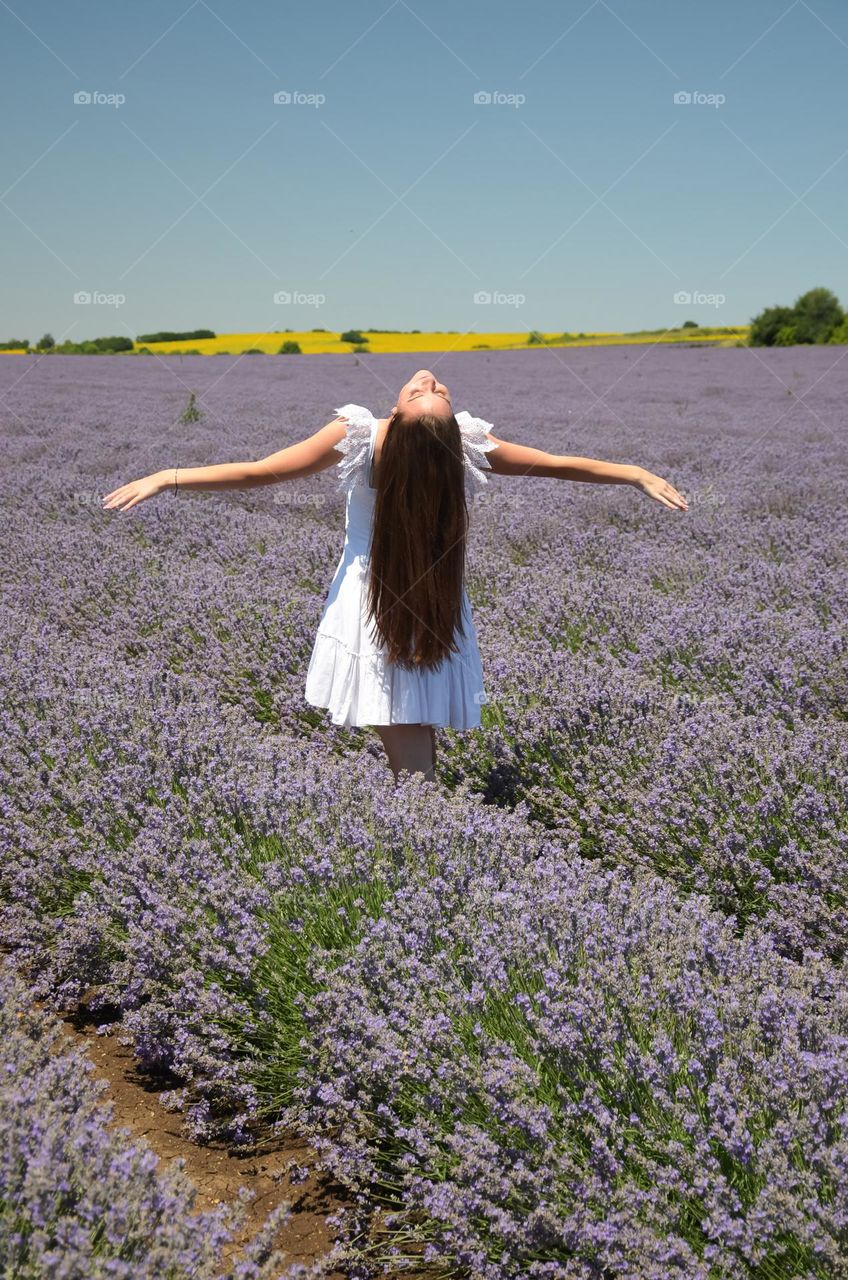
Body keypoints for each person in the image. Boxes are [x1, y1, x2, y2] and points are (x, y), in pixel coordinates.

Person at [103, 368, 688, 783]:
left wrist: (168, 475)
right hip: (426, 590)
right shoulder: (460, 444)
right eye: (429, 393)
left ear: (396, 419)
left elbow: (261, 474)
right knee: (409, 710)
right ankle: (422, 813)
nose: (430, 381)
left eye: (425, 393)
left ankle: (420, 824)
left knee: (403, 715)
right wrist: (632, 473)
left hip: (372, 595)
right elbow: (557, 467)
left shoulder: (363, 436)